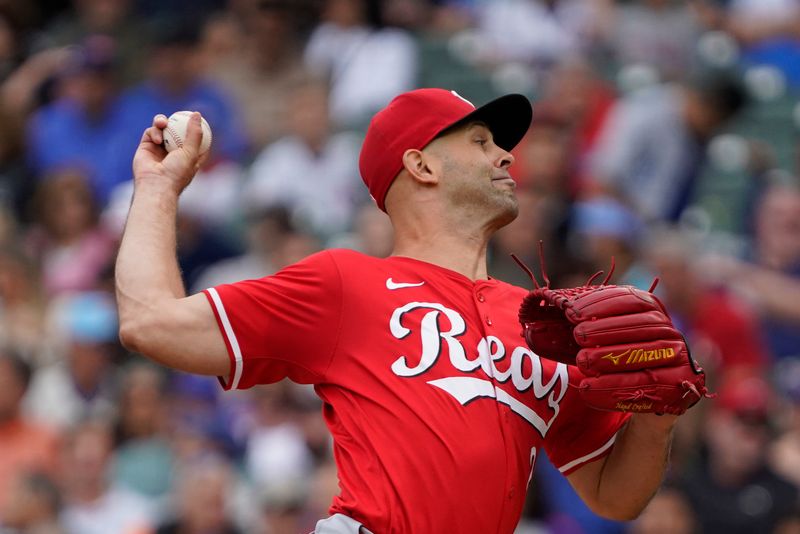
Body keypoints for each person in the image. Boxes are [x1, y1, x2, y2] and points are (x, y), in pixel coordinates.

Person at [115, 88, 694, 533]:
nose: (506, 155)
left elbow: (613, 495)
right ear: (421, 166)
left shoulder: (539, 324)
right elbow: (151, 323)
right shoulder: (347, 283)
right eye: (480, 141)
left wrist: (655, 418)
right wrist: (160, 187)